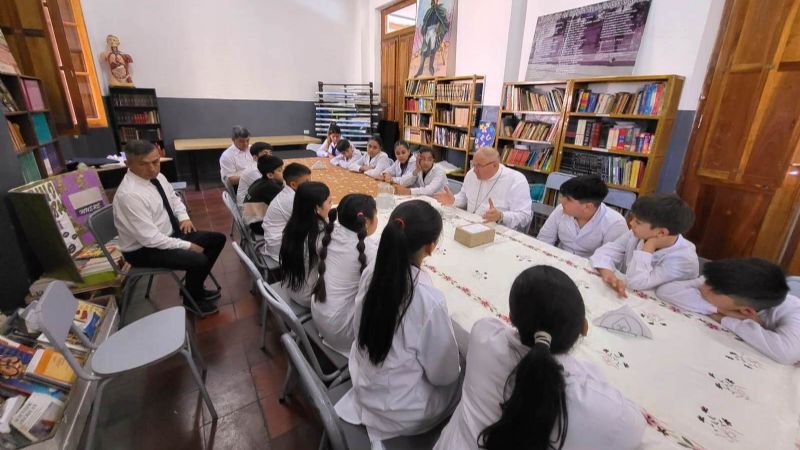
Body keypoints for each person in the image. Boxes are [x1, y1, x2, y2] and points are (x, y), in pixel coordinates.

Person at [435, 265, 645, 450]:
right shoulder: (597, 404)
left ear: (510, 317)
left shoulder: (484, 336)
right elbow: (635, 430)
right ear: (584, 328)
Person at [335, 200, 461, 443]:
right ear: (431, 247)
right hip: (400, 410)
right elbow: (444, 376)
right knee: (463, 375)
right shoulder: (428, 300)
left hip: (366, 381)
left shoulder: (372, 269)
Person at [113, 140, 224, 314]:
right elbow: (150, 239)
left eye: (156, 162)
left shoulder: (158, 177)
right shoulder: (130, 195)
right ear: (128, 164)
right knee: (198, 259)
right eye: (143, 164)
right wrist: (187, 245)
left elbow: (173, 199)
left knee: (217, 240)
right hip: (143, 250)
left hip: (169, 234)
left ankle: (191, 287)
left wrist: (184, 217)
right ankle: (191, 299)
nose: (152, 169)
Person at [656, 258, 800, 365]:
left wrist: (726, 319)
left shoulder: (793, 312)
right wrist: (718, 309)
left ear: (746, 310)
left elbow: (787, 353)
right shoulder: (720, 282)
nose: (703, 286)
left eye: (712, 291)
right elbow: (666, 291)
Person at [590, 193, 697, 296]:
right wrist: (608, 273)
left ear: (661, 233)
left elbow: (636, 283)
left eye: (638, 222)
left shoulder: (684, 260)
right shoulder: (638, 233)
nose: (631, 223)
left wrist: (649, 247)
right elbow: (605, 252)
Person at [311, 194, 379, 355]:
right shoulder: (370, 253)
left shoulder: (326, 235)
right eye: (375, 215)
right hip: (341, 331)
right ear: (367, 221)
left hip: (319, 313)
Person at [433, 147, 532, 231]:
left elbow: (525, 216)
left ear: (495, 165)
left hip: (497, 231)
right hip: (467, 226)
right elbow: (464, 197)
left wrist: (501, 216)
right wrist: (454, 200)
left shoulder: (516, 180)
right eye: (473, 164)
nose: (474, 170)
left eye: (479, 166)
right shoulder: (471, 174)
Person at [537, 175, 628, 258]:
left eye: (568, 199)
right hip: (559, 260)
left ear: (587, 207)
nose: (561, 201)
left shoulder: (615, 223)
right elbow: (544, 240)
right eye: (563, 196)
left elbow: (609, 260)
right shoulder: (561, 209)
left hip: (590, 268)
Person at [279, 182, 332, 308]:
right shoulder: (319, 236)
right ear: (316, 208)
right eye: (329, 202)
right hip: (309, 296)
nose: (331, 206)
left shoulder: (295, 223)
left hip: (292, 285)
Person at [261, 163, 312, 258]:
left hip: (277, 236)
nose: (310, 185)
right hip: (279, 246)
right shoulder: (292, 199)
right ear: (293, 184)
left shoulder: (289, 191)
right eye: (307, 182)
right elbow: (310, 223)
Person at [242, 155, 284, 235]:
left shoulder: (260, 181)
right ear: (270, 175)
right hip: (258, 225)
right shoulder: (270, 187)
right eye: (280, 170)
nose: (283, 172)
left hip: (252, 220)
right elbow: (285, 205)